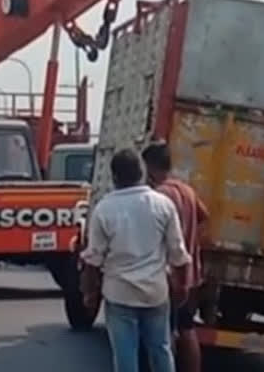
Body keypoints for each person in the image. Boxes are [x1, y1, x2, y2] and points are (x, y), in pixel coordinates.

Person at [81, 148, 191, 372]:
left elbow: (93, 260)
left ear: (114, 177)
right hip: (155, 293)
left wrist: (90, 293)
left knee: (125, 354)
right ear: (141, 172)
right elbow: (178, 253)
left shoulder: (104, 209)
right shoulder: (162, 205)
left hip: (119, 294)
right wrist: (182, 287)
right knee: (161, 350)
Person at [142, 142, 209, 372]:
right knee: (186, 326)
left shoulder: (159, 195)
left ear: (149, 168)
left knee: (163, 330)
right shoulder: (187, 191)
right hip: (190, 273)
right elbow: (204, 216)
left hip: (167, 273)